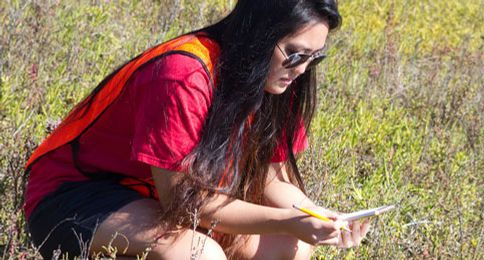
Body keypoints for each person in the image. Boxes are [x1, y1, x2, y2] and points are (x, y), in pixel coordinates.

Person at [24, 0, 371, 259]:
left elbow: (272, 178)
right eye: (295, 54)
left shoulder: (278, 80)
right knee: (198, 254)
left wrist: (320, 217)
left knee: (292, 247)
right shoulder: (184, 74)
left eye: (314, 57)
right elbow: (184, 202)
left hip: (154, 198)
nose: (302, 69)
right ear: (258, 35)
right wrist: (284, 220)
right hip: (75, 196)